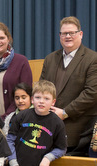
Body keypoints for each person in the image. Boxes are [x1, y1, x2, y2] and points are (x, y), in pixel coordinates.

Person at [40, 16, 97, 154]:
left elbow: (91, 93)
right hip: (49, 129)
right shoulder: (50, 59)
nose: (68, 36)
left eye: (72, 32)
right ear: (60, 36)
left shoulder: (92, 59)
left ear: (80, 34)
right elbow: (40, 89)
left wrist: (65, 113)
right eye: (64, 33)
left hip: (79, 132)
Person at [6, 80, 67, 166]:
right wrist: (13, 164)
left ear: (53, 102)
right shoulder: (22, 116)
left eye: (46, 98)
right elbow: (10, 140)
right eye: (38, 97)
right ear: (32, 99)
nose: (41, 101)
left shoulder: (57, 123)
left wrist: (48, 158)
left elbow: (61, 148)